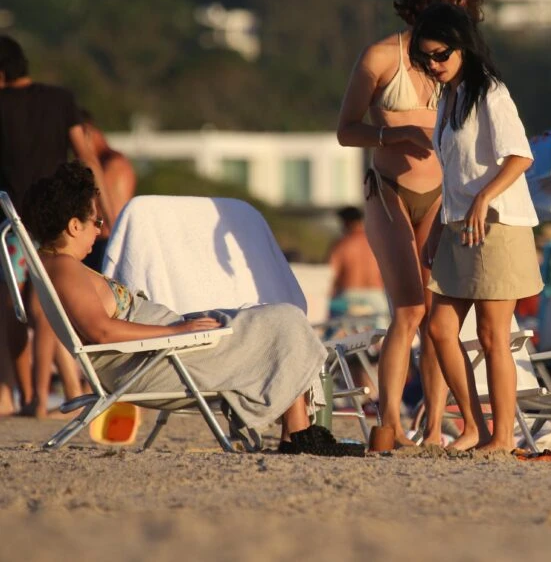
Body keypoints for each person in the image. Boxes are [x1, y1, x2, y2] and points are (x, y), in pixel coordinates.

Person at [20, 161, 361, 456]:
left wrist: (179, 330)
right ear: (73, 226)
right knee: (285, 320)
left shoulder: (60, 267)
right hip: (158, 360)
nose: (99, 230)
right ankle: (299, 434)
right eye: (94, 222)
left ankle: (297, 432)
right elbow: (101, 331)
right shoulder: (65, 269)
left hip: (164, 352)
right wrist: (174, 332)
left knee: (274, 319)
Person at [335, 0, 489, 448]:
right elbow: (345, 130)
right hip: (390, 191)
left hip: (445, 197)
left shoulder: (460, 63)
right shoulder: (383, 56)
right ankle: (390, 425)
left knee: (438, 314)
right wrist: (394, 132)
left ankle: (432, 423)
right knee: (407, 311)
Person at [412, 2, 542, 452]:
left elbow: (521, 156)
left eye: (440, 54)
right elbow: (454, 175)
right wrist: (435, 230)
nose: (433, 64)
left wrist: (485, 197)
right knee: (439, 329)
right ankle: (475, 427)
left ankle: (502, 438)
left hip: (498, 224)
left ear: (463, 48)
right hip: (456, 226)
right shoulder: (448, 98)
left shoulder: (491, 93)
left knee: (492, 336)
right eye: (424, 56)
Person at [0, 35, 113, 417]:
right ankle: (41, 396)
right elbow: (88, 158)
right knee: (45, 301)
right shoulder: (61, 99)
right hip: (58, 216)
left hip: (14, 219)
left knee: (12, 306)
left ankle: (30, 395)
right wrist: (105, 214)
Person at [80, 112, 137, 271]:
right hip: (98, 244)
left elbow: (107, 215)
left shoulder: (114, 165)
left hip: (104, 244)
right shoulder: (104, 164)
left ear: (87, 132)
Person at [326, 206, 387, 321]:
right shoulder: (378, 243)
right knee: (383, 333)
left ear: (346, 222)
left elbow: (330, 275)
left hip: (349, 297)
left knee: (336, 332)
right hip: (375, 296)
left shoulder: (342, 245)